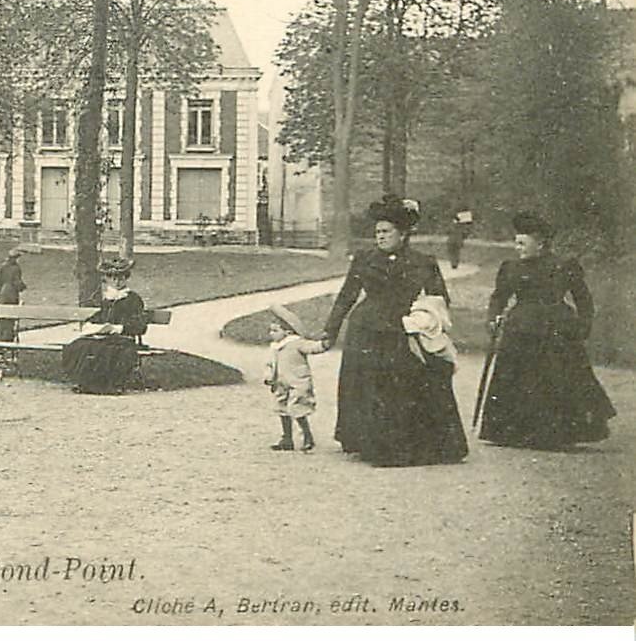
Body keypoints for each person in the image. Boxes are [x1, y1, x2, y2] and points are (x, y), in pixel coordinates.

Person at [320, 196, 468, 466]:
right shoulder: (364, 259)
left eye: (386, 231)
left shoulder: (424, 262)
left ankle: (414, 442)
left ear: (403, 233)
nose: (380, 236)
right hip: (367, 328)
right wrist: (330, 330)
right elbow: (346, 296)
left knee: (408, 382)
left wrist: (424, 320)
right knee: (367, 385)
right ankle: (364, 439)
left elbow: (440, 298)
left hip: (403, 328)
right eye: (377, 232)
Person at [477, 212, 616, 450]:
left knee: (557, 378)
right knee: (518, 379)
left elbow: (583, 300)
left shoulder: (564, 266)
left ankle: (558, 431)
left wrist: (583, 326)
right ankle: (515, 431)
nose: (517, 247)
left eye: (522, 243)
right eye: (516, 242)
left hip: (556, 329)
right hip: (520, 330)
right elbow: (499, 297)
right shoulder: (510, 267)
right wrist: (493, 318)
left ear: (540, 243)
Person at [61, 257, 148, 394]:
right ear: (107, 279)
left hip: (123, 339)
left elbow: (140, 325)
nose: (117, 281)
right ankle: (86, 382)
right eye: (113, 278)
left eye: (121, 278)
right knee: (80, 345)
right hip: (105, 337)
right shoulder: (107, 299)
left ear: (126, 278)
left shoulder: (133, 299)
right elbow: (99, 317)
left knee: (106, 350)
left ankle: (107, 385)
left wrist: (116, 328)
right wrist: (90, 325)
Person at [263, 305, 329, 451]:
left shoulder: (296, 343)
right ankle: (286, 438)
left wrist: (323, 345)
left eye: (275, 330)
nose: (271, 333)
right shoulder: (274, 347)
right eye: (271, 330)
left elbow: (312, 347)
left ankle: (307, 436)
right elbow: (270, 364)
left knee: (298, 408)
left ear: (287, 332)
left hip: (297, 381)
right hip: (280, 383)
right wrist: (268, 377)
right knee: (281, 408)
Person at [0, 248, 26, 342]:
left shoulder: (3, 267)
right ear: (15, 258)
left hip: (3, 291)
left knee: (2, 313)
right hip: (11, 292)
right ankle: (7, 335)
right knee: (10, 313)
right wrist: (23, 286)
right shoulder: (16, 268)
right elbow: (17, 282)